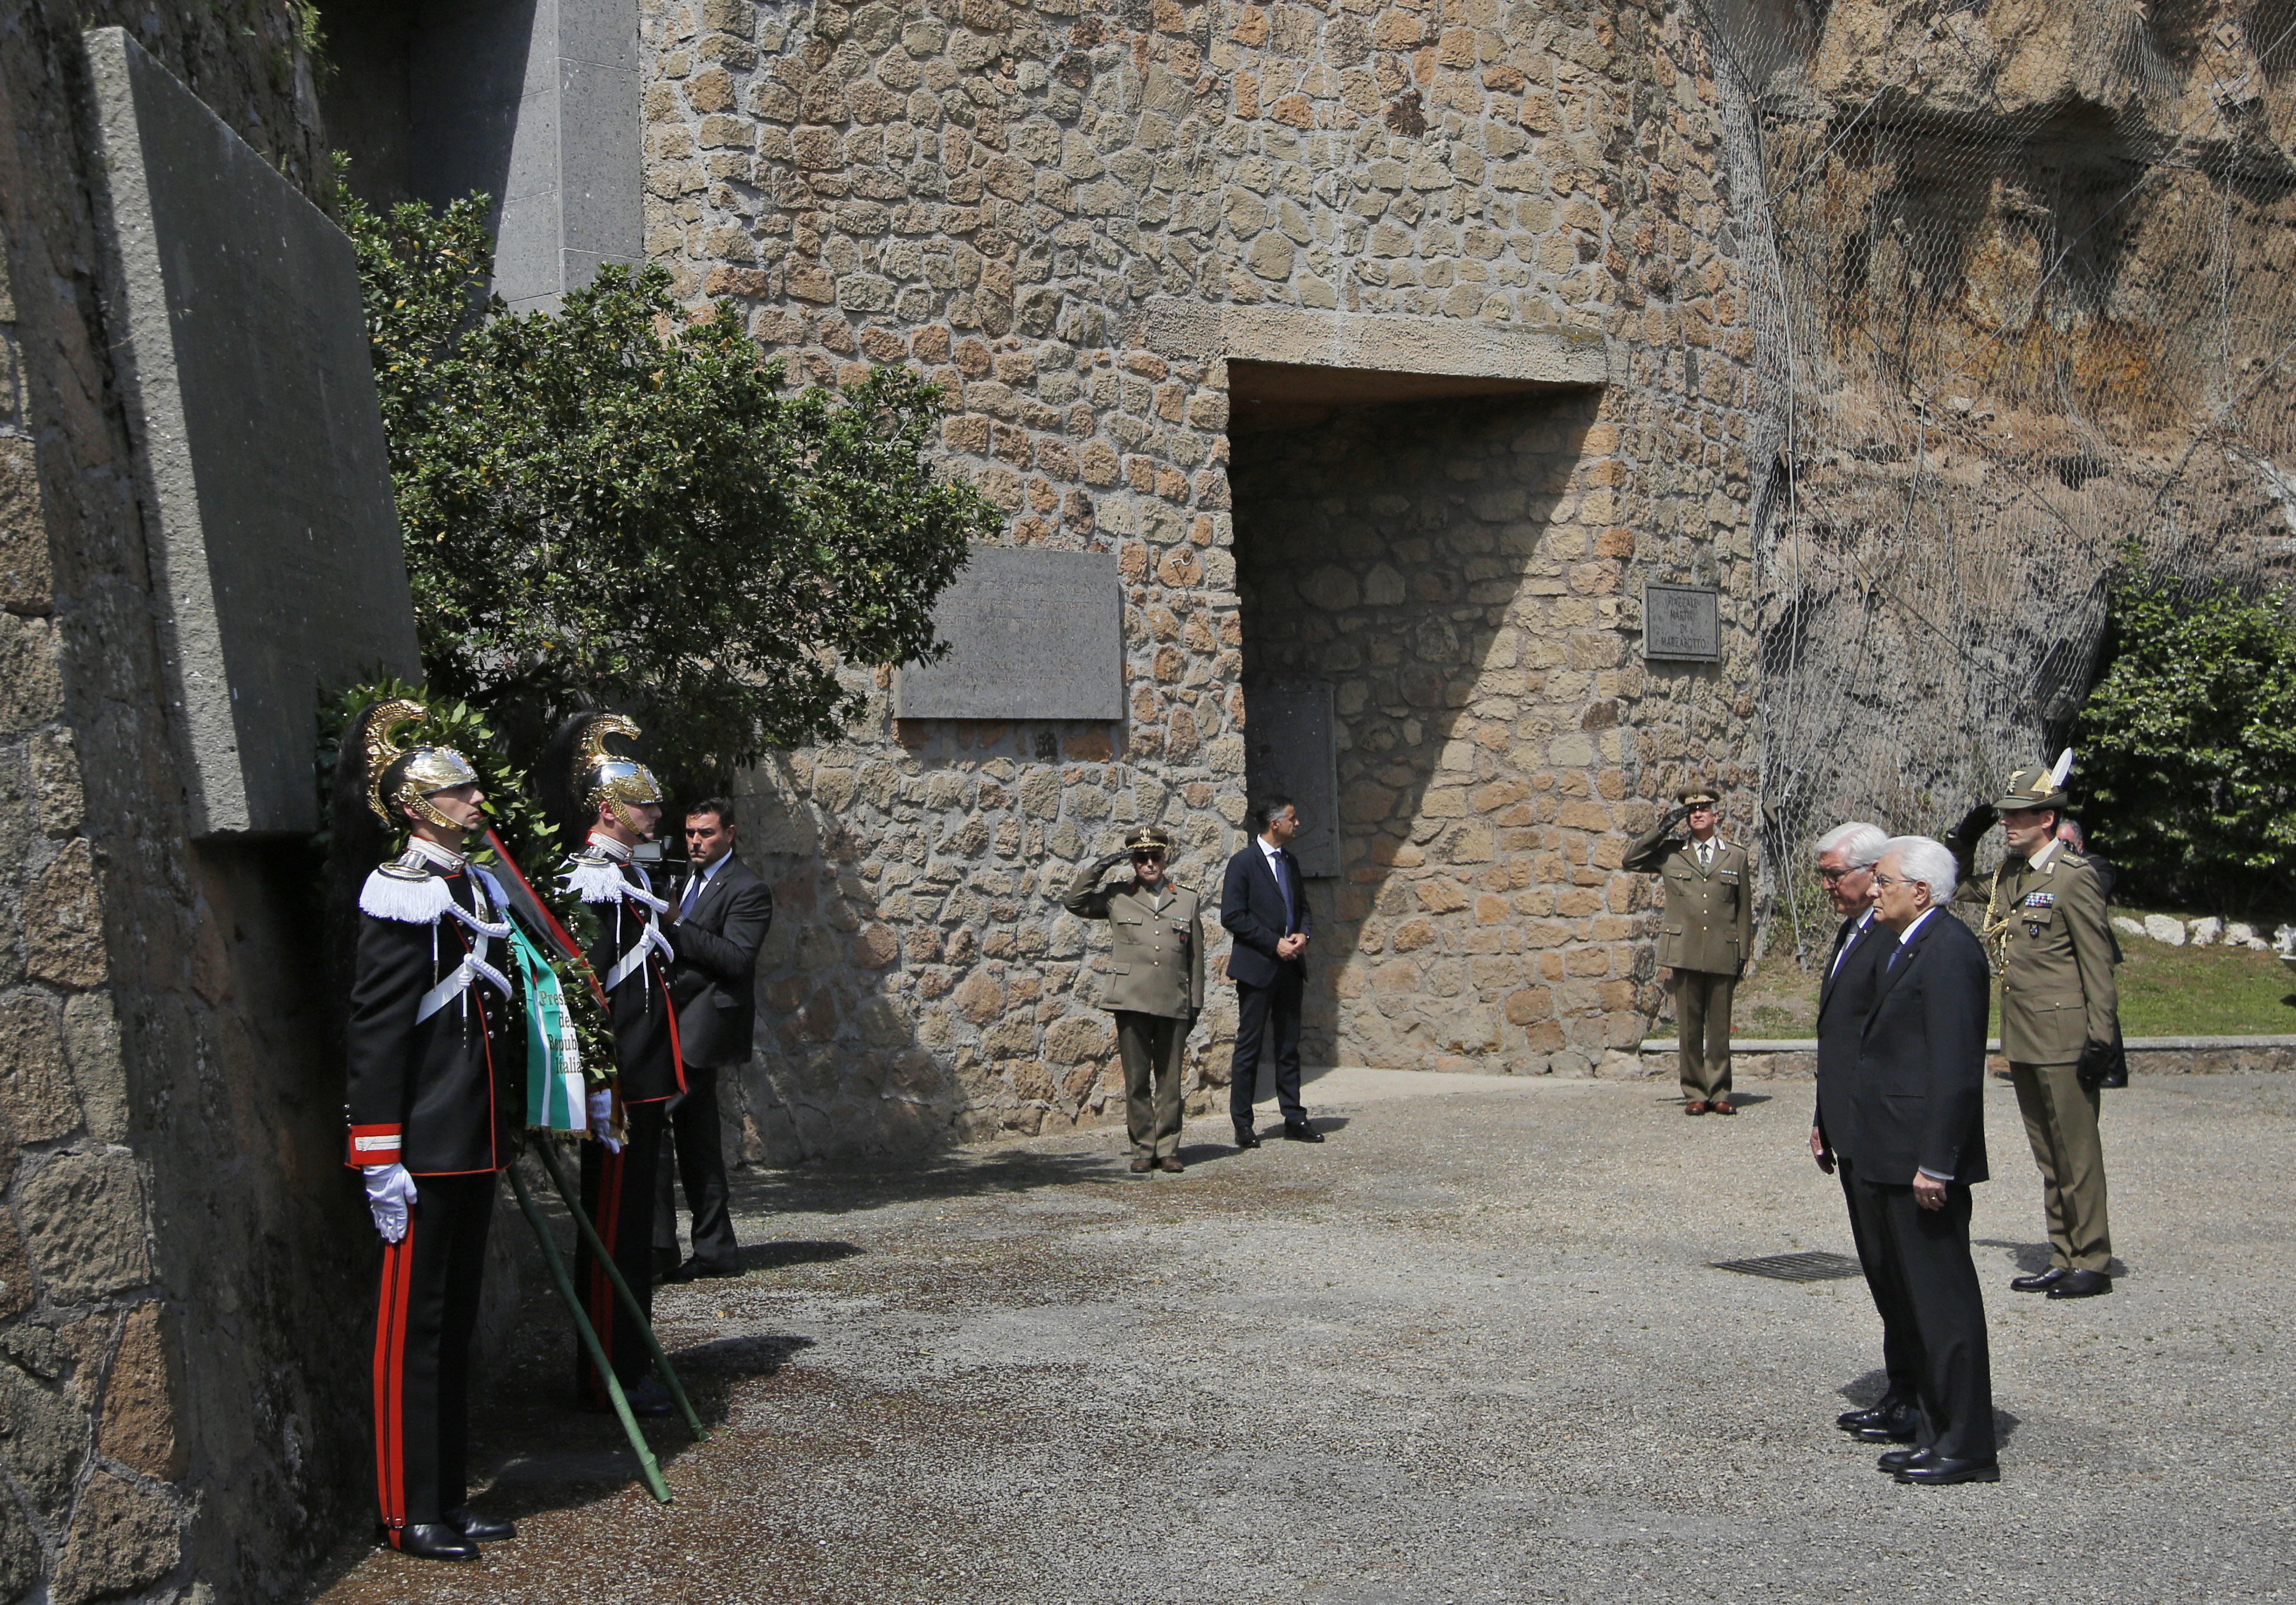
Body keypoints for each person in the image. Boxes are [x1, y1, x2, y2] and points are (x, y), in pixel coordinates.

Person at [332, 700, 520, 1561]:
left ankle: (447, 1494)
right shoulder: (400, 890)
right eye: (459, 791)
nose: (476, 800)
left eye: (474, 788)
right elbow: (376, 1031)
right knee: (413, 1333)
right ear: (415, 807)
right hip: (423, 1147)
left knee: (453, 1328)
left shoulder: (471, 886)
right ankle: (406, 1509)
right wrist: (379, 1156)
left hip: (472, 1139)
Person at [543, 712, 680, 1414]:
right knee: (614, 1230)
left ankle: (631, 1357)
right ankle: (609, 1373)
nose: (654, 814)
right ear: (607, 809)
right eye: (641, 804)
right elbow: (589, 994)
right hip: (621, 1083)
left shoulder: (627, 874)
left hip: (646, 1078)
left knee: (633, 1229)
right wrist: (601, 1084)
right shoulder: (594, 880)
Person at [1850, 837, 1998, 1485]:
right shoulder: (1907, 943)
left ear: (1920, 890)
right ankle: (1933, 1428)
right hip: (1888, 1151)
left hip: (1920, 1158)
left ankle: (1965, 1443)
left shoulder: (1948, 950)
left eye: (1883, 881)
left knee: (1943, 1306)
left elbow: (1956, 1067)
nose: (1872, 890)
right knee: (1913, 1305)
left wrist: (1938, 1162)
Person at [1945, 766, 2120, 1299]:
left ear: (2046, 818)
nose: (2007, 823)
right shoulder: (2011, 875)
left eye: (2016, 815)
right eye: (2003, 816)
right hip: (2024, 1036)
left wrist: (2100, 1039)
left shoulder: (2072, 876)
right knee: (2048, 1154)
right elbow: (1953, 886)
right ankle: (2063, 1253)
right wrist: (1961, 840)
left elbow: (2096, 963)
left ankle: (2091, 1258)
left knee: (2076, 1154)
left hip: (2065, 1038)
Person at [1807, 822, 1917, 1446]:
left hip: (1881, 1130)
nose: (1827, 887)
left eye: (1834, 875)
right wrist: (1823, 1115)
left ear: (1872, 872)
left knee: (1900, 1269)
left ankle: (1916, 1394)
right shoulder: (1853, 931)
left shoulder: (1889, 936)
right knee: (1879, 1267)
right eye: (1822, 875)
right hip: (1850, 1125)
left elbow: (1887, 1045)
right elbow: (1839, 1038)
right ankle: (1900, 1388)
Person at [653, 796, 774, 1280]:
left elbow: (736, 958)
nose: (695, 842)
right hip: (671, 1018)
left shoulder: (747, 888)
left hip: (704, 1026)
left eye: (705, 833)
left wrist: (676, 922)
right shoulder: (683, 878)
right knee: (697, 1138)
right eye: (690, 833)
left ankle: (660, 1246)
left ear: (729, 833)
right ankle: (714, 1248)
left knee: (659, 1123)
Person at [1065, 824, 1207, 1173]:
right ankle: (1144, 1147)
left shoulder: (1186, 899)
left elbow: (1196, 957)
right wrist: (1102, 866)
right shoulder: (1117, 896)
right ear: (1133, 863)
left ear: (1165, 858)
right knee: (1137, 1079)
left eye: (1154, 857)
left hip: (1173, 999)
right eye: (1141, 859)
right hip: (1130, 1000)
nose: (1149, 864)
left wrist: (1196, 1002)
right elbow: (1074, 902)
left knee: (1170, 1080)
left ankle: (1168, 1148)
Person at [1623, 785, 1753, 1114]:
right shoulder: (1671, 853)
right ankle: (1695, 1091)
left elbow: (1743, 909)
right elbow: (1631, 859)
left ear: (1716, 815)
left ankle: (1720, 1092)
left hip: (1723, 949)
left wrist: (1743, 953)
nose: (1697, 814)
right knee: (1689, 1027)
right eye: (1691, 811)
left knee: (1719, 1027)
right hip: (1685, 949)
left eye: (1704, 809)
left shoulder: (1735, 856)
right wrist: (1662, 828)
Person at [1221, 798, 1319, 1147]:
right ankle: (1243, 1123)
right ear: (1275, 823)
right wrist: (1273, 943)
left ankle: (1294, 1116)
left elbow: (1303, 908)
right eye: (1293, 818)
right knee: (1249, 1046)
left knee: (1288, 1046)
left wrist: (1303, 934)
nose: (1298, 823)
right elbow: (1233, 916)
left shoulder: (1290, 862)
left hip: (1291, 968)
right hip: (1258, 968)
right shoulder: (1243, 863)